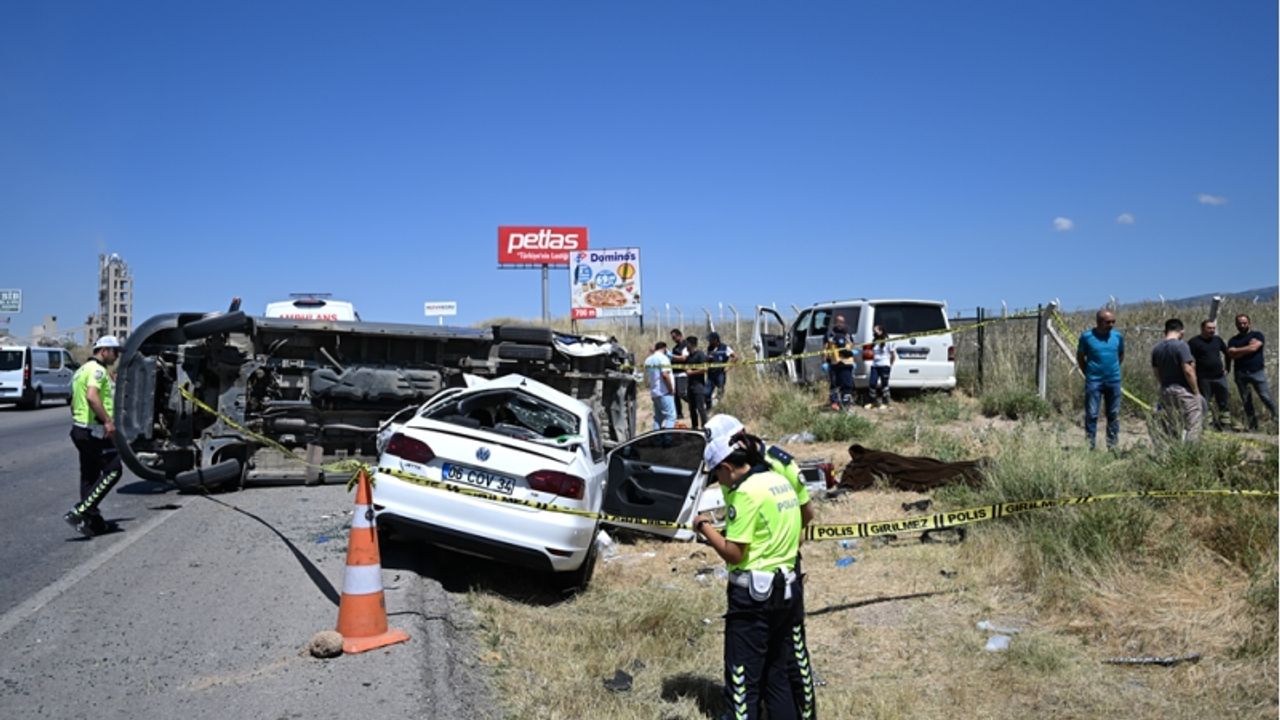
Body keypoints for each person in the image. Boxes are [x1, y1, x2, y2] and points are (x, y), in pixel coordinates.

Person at [704, 414, 816, 719]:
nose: (718, 482)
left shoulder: (746, 493)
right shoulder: (778, 481)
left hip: (753, 597)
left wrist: (705, 528)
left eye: (717, 475)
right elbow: (801, 519)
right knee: (777, 675)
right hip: (786, 586)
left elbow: (735, 553)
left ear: (726, 466)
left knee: (743, 682)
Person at [64, 335, 124, 537]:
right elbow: (91, 396)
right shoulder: (97, 371)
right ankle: (80, 511)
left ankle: (92, 521)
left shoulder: (81, 370)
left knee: (89, 476)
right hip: (93, 430)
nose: (116, 356)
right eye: (115, 351)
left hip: (80, 429)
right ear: (104, 350)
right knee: (114, 469)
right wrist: (107, 421)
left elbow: (73, 403)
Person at [1076, 309, 1125, 450]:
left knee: (1113, 414)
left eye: (1113, 321)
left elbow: (1121, 355)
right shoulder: (1086, 337)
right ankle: (1090, 446)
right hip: (1094, 381)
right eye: (1108, 322)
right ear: (1098, 322)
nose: (1111, 324)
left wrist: (1113, 369)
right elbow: (1080, 357)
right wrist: (1088, 373)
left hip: (1114, 380)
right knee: (1092, 414)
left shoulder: (1117, 337)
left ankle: (1112, 446)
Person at [1150, 318, 1202, 443]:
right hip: (1183, 390)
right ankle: (1190, 454)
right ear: (1181, 331)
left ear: (1165, 331)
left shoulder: (1156, 349)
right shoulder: (1181, 345)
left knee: (1170, 423)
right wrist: (1196, 391)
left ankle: (1171, 450)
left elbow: (1156, 371)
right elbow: (1188, 370)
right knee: (1193, 424)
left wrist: (1164, 385)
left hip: (1166, 390)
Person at [1226, 314, 1276, 431]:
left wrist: (1238, 351)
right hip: (1240, 373)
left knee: (1266, 397)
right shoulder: (1233, 340)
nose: (1242, 325)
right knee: (1246, 400)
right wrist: (1247, 348)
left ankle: (1277, 420)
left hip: (1257, 372)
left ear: (1249, 323)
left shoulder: (1257, 335)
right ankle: (1253, 426)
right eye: (1239, 323)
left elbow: (1254, 348)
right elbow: (1231, 354)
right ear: (1236, 324)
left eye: (1244, 323)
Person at [1187, 319, 1232, 431]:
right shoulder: (1194, 342)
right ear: (1202, 328)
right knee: (1206, 402)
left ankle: (1225, 424)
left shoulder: (1217, 340)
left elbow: (1227, 353)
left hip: (1219, 376)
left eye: (1213, 328)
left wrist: (1227, 368)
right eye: (1209, 328)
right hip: (1203, 378)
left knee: (1224, 401)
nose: (1212, 330)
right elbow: (1187, 359)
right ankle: (1209, 426)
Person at [824, 314, 856, 411]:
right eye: (838, 321)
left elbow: (852, 345)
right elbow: (825, 348)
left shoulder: (848, 334)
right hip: (834, 363)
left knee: (847, 384)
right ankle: (835, 403)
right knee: (834, 384)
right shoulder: (830, 334)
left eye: (842, 322)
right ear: (835, 323)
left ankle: (845, 404)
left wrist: (853, 353)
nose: (840, 324)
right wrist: (824, 361)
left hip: (847, 363)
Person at [644, 341, 676, 430]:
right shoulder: (663, 358)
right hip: (664, 392)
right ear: (665, 348)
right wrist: (671, 389)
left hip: (654, 392)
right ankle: (668, 439)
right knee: (671, 417)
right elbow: (665, 375)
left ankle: (657, 439)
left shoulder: (648, 360)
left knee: (658, 418)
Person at [864, 323, 896, 409]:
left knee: (884, 384)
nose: (874, 332)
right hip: (875, 365)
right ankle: (872, 402)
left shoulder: (888, 341)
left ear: (881, 331)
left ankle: (885, 402)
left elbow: (893, 355)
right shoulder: (874, 341)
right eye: (873, 331)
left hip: (884, 365)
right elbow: (870, 352)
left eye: (876, 331)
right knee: (872, 383)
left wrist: (890, 364)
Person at [705, 332, 738, 408]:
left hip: (720, 374)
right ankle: (708, 408)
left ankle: (718, 406)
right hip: (710, 374)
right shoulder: (709, 348)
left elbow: (735, 357)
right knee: (706, 393)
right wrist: (707, 359)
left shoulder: (725, 348)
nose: (709, 341)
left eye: (711, 340)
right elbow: (707, 359)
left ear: (716, 340)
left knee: (720, 390)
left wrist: (728, 367)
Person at [683, 336, 708, 430]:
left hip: (699, 385)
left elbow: (705, 369)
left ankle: (705, 427)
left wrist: (692, 372)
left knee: (700, 407)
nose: (686, 346)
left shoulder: (700, 354)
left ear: (691, 344)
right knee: (691, 408)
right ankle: (694, 427)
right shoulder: (689, 357)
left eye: (687, 343)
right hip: (690, 385)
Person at [669, 329, 689, 421]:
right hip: (674, 373)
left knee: (681, 393)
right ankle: (679, 414)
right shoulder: (675, 348)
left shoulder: (686, 345)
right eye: (672, 337)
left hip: (683, 373)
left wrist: (672, 356)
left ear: (680, 335)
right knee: (675, 395)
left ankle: (695, 403)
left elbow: (684, 358)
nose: (673, 339)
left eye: (674, 337)